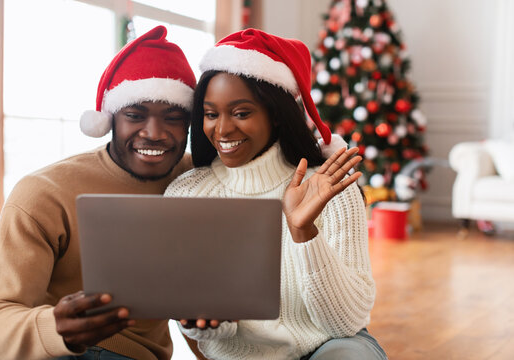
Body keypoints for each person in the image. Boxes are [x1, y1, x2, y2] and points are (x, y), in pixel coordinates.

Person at [0, 26, 204, 360]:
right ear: (110, 119)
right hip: (61, 353)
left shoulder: (198, 181)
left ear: (189, 124)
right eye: (135, 115)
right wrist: (56, 327)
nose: (154, 133)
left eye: (172, 117)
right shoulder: (43, 194)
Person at [165, 29, 388, 360]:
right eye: (211, 114)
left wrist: (304, 232)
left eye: (241, 113)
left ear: (278, 115)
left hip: (325, 350)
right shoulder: (187, 194)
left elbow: (346, 323)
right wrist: (203, 322)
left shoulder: (330, 191)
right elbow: (204, 329)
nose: (222, 130)